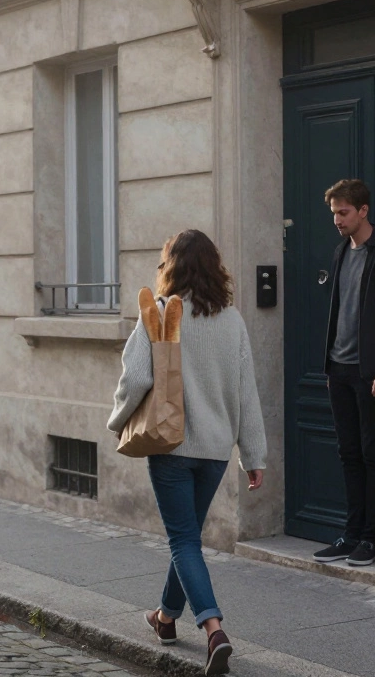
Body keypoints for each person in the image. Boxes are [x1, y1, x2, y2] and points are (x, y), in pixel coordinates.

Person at [107, 229, 267, 677]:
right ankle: (164, 619)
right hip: (215, 450)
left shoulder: (160, 313)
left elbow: (136, 378)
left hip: (171, 445)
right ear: (215, 267)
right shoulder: (232, 320)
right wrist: (253, 454)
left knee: (182, 540)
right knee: (189, 538)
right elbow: (246, 393)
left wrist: (118, 420)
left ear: (171, 266)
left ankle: (214, 628)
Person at [311, 178, 375, 568]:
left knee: (372, 454)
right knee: (348, 453)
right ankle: (350, 534)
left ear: (363, 210)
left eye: (343, 212)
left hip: (373, 375)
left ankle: (371, 538)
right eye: (334, 213)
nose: (337, 219)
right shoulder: (339, 253)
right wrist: (331, 367)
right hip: (339, 368)